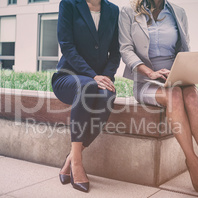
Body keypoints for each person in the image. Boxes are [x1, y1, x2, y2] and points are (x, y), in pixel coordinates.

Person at [118, 0, 198, 197]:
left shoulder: (178, 12)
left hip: (177, 75)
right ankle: (192, 161)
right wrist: (150, 73)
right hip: (146, 80)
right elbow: (125, 49)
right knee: (174, 96)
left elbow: (183, 49)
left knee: (191, 95)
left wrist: (187, 71)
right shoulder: (128, 11)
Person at [52, 0, 120, 193]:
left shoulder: (113, 10)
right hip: (68, 76)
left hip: (99, 79)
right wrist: (93, 75)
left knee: (108, 96)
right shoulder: (69, 4)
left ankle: (71, 157)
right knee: (87, 86)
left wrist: (106, 76)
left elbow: (115, 51)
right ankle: (77, 164)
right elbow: (67, 46)